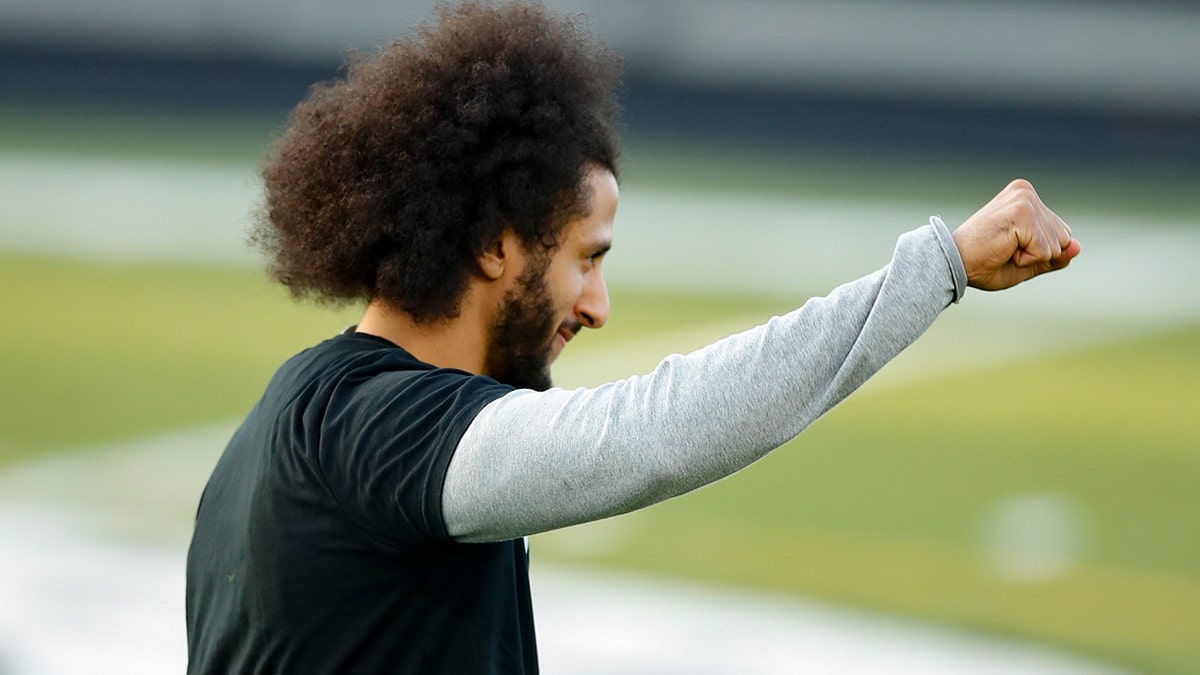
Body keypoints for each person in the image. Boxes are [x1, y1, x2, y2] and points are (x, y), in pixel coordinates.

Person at [184, 2, 1081, 673]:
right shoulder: (369, 427)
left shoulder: (283, 426)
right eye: (586, 258)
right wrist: (939, 267)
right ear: (495, 244)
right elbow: (651, 433)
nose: (598, 304)